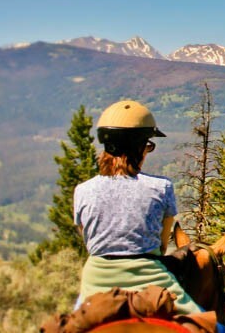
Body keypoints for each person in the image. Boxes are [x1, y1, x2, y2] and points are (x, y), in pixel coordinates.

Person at [73, 100, 201, 314]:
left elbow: (89, 241)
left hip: (96, 279)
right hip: (151, 278)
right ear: (140, 147)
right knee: (213, 327)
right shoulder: (162, 187)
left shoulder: (83, 190)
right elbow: (161, 246)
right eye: (148, 145)